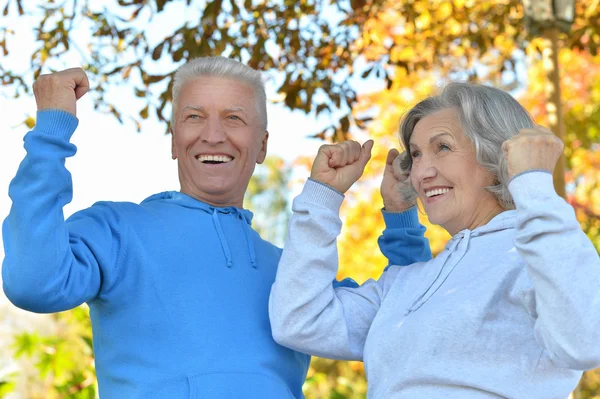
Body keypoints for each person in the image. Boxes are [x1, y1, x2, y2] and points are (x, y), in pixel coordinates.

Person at [1, 56, 432, 398]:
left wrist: (401, 215)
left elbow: (410, 319)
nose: (212, 135)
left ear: (262, 145)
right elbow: (33, 283)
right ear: (173, 140)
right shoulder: (116, 229)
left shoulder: (296, 274)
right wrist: (51, 132)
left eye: (234, 118)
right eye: (193, 117)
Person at [269, 82, 600, 398]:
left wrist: (533, 186)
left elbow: (585, 340)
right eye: (415, 155)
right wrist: (323, 197)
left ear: (497, 156)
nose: (422, 171)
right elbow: (299, 322)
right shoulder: (408, 280)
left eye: (442, 147)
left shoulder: (537, 253)